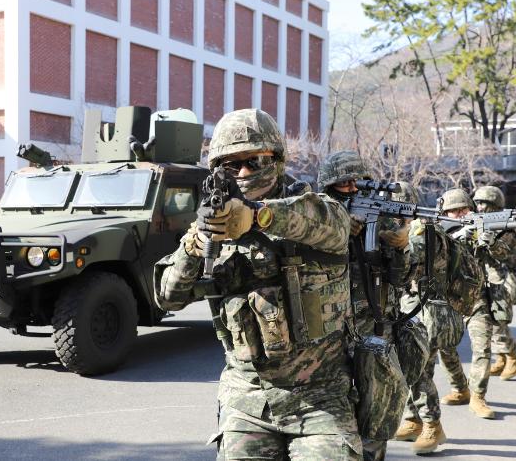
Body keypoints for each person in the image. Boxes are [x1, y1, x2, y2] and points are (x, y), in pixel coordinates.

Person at [154, 109, 362, 460]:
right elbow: (168, 298)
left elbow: (332, 224)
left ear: (277, 160)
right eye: (231, 166)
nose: (244, 173)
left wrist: (258, 215)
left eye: (255, 161)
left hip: (321, 398)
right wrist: (195, 243)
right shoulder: (213, 225)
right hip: (248, 398)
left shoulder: (311, 207)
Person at [317, 151, 411, 461]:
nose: (352, 188)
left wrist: (399, 250)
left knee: (376, 403)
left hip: (372, 323)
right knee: (336, 409)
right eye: (343, 184)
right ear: (328, 187)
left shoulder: (377, 215)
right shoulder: (317, 218)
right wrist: (341, 231)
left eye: (358, 182)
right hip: (326, 328)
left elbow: (399, 279)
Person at [392, 182, 457, 455]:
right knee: (415, 368)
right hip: (412, 307)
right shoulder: (415, 229)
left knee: (417, 371)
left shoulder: (420, 232)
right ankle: (412, 420)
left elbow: (406, 265)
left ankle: (433, 425)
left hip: (424, 310)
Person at [437, 188, 504, 419]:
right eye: (454, 211)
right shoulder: (437, 233)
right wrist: (456, 238)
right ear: (445, 213)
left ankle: (478, 396)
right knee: (445, 348)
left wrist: (491, 243)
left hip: (476, 299)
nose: (461, 213)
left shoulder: (480, 229)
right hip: (448, 300)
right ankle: (459, 388)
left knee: (482, 348)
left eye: (465, 208)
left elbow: (504, 255)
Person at [473, 186, 516, 380]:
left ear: (494, 205)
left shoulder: (506, 226)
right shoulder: (485, 222)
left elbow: (505, 253)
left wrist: (491, 242)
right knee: (493, 320)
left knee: (498, 322)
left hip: (502, 280)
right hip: (489, 278)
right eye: (477, 202)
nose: (478, 207)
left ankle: (514, 358)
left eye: (482, 203)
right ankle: (502, 358)